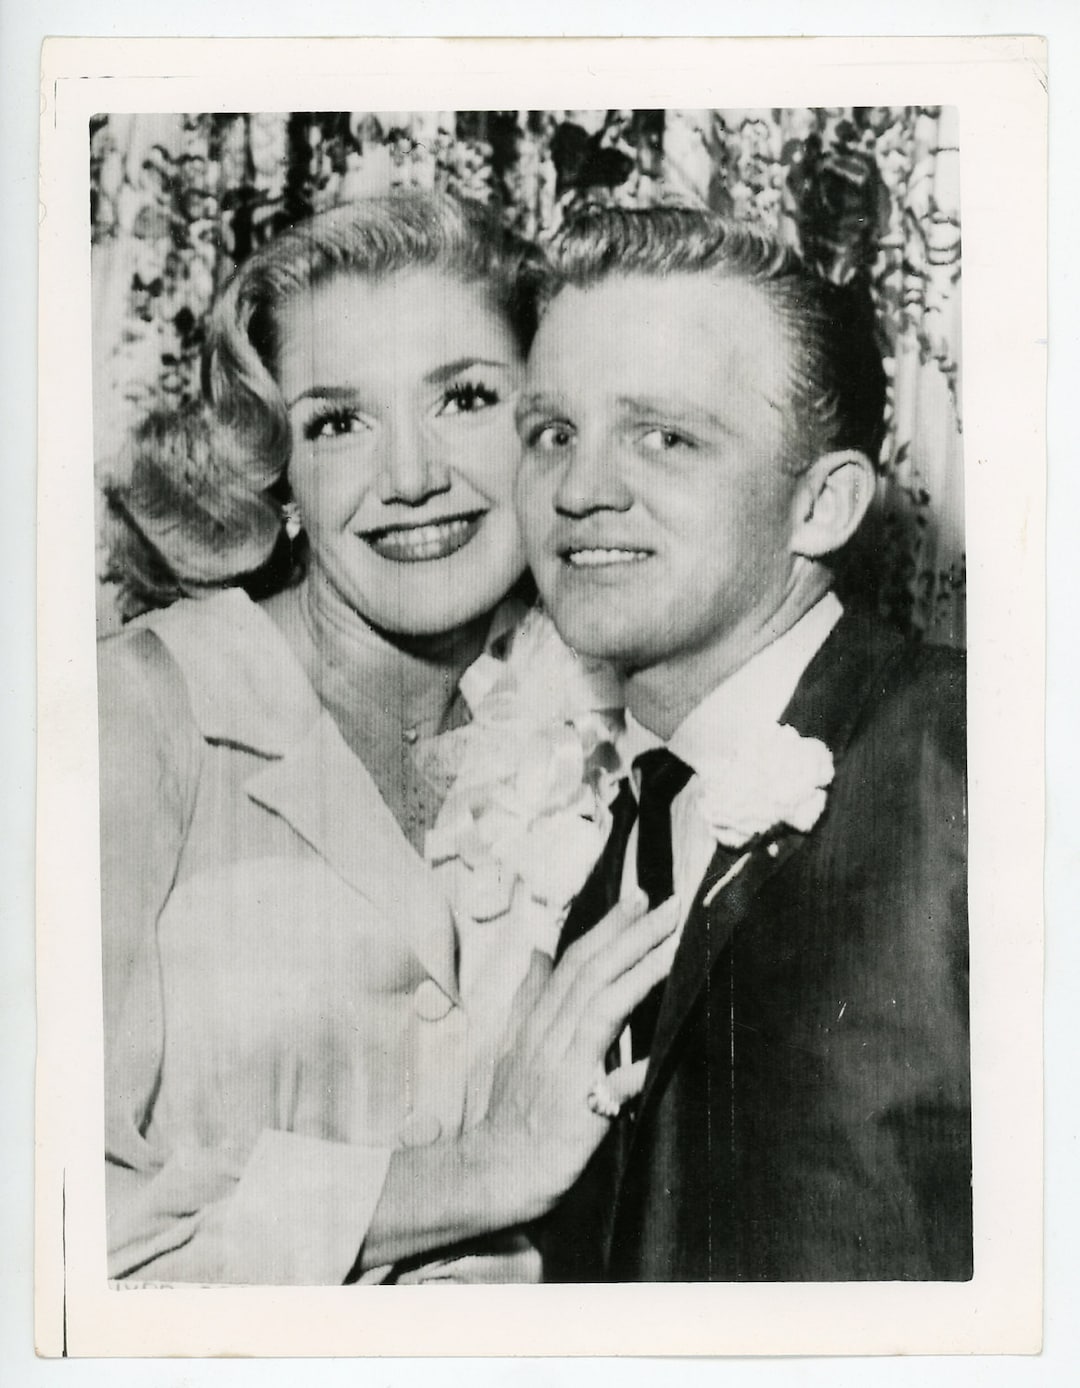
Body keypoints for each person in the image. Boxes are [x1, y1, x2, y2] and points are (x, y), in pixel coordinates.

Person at [98, 192, 677, 1286]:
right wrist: (486, 1170)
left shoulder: (610, 713)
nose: (410, 478)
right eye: (337, 421)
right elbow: (57, 1235)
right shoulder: (137, 712)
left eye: (464, 397)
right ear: (282, 481)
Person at [516, 207, 971, 1282]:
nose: (579, 490)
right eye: (552, 433)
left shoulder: (980, 754)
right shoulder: (603, 828)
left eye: (665, 435)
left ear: (823, 504)